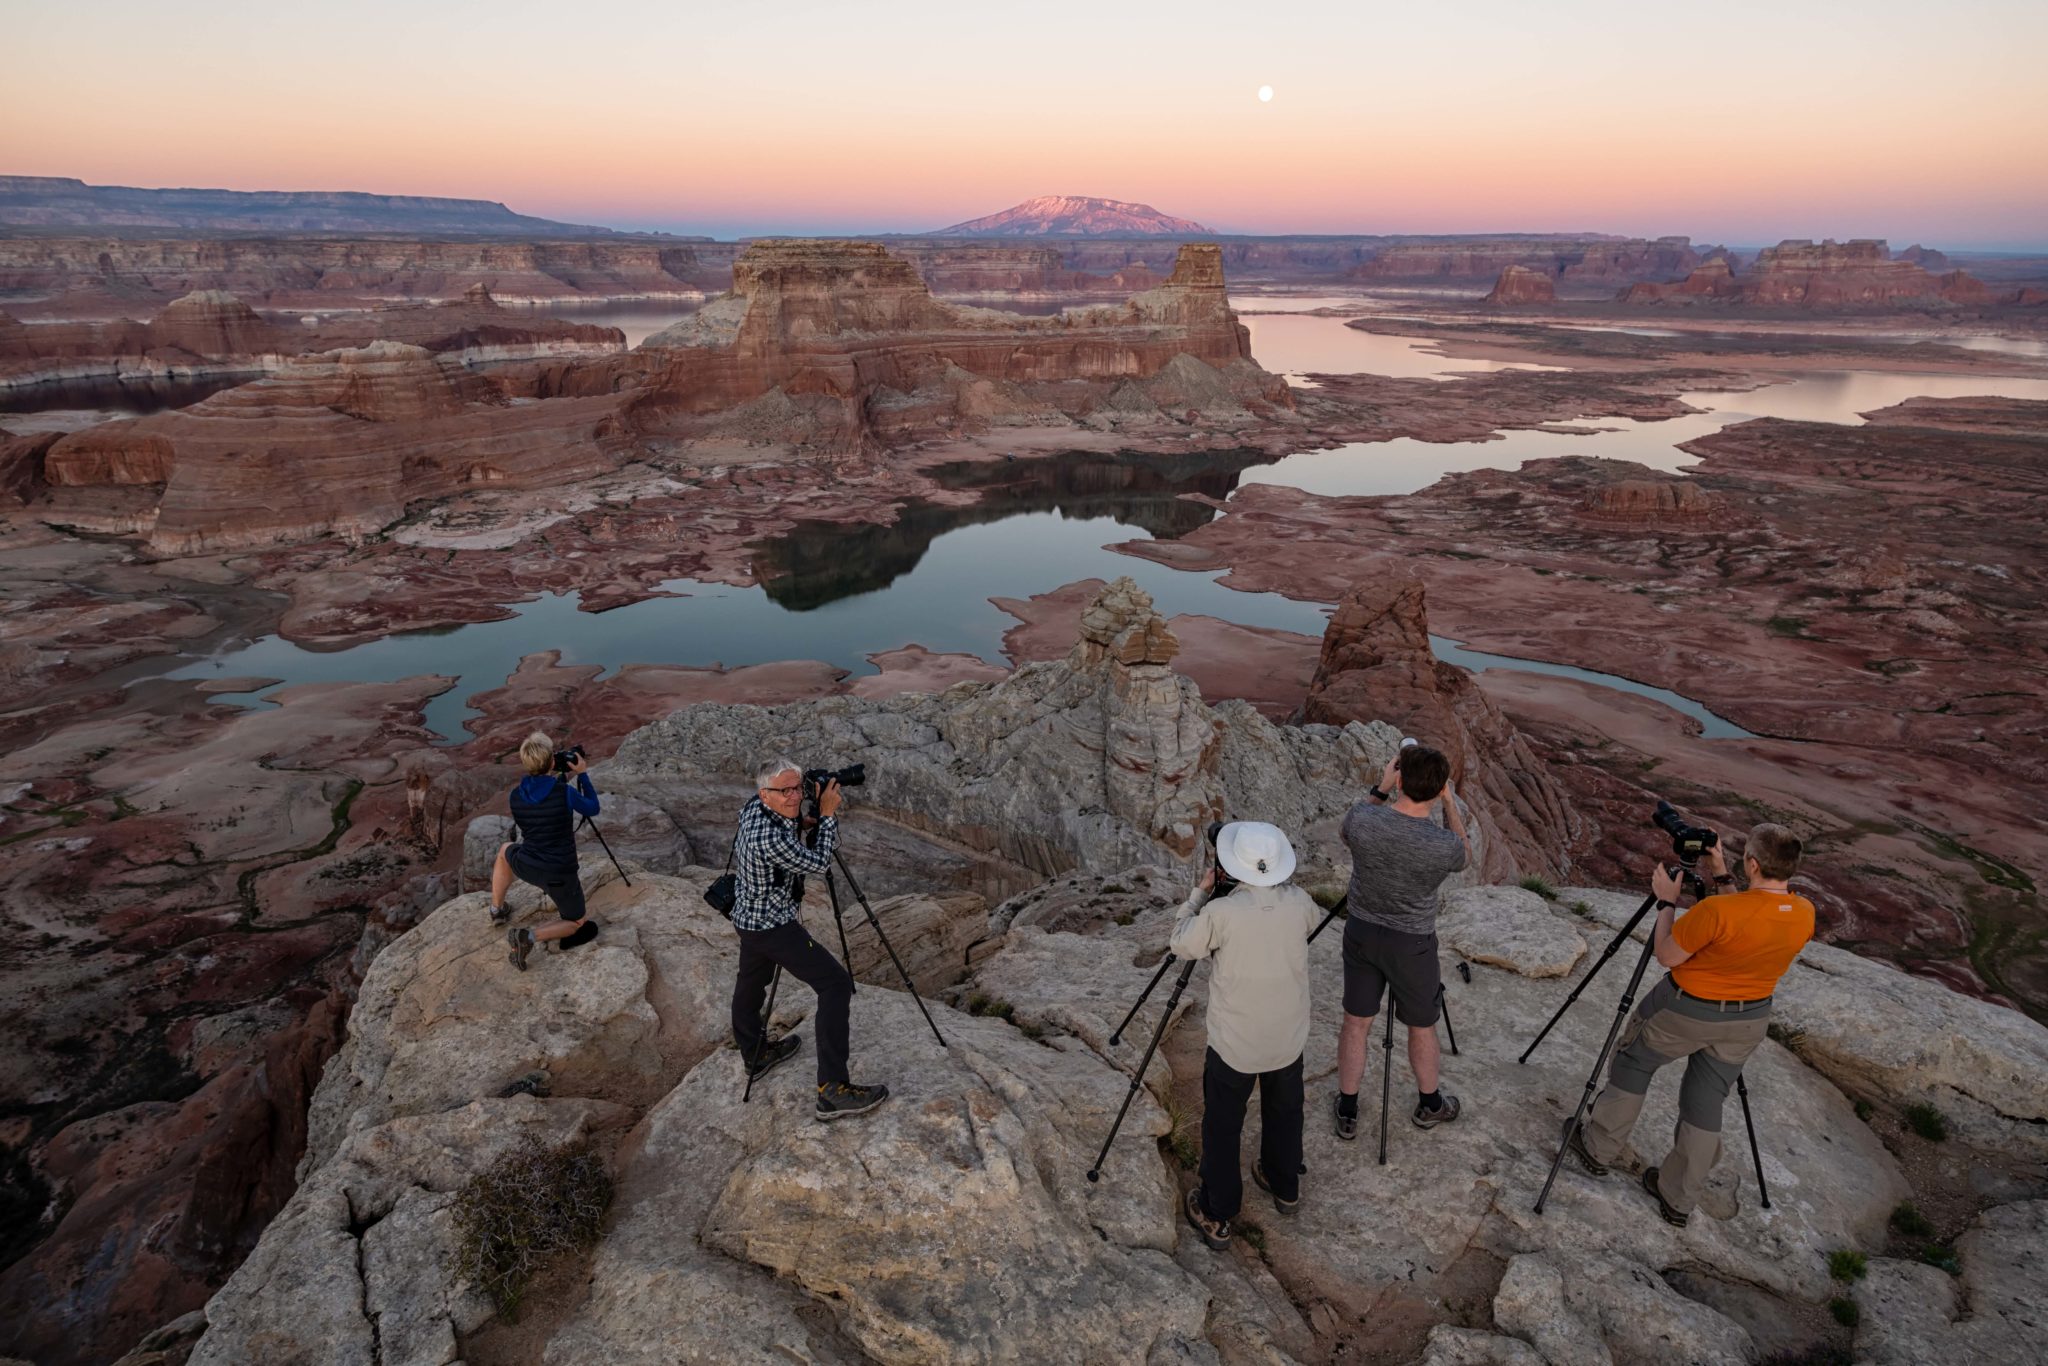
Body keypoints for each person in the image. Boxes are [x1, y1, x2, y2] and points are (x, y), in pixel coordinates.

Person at [1568, 824, 1814, 1228]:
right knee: (1706, 1099)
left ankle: (1599, 1148)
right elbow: (1747, 917)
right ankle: (1678, 1196)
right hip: (1748, 1020)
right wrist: (1719, 871)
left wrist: (1667, 903)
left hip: (1686, 1011)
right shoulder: (1803, 912)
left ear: (1752, 864)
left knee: (1634, 1063)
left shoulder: (1713, 912)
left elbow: (1666, 955)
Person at [1172, 822, 1320, 1251]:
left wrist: (1202, 894)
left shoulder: (1221, 914)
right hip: (1287, 1040)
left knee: (1223, 1124)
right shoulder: (1301, 903)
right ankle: (1283, 1183)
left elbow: (1181, 942)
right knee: (1285, 1111)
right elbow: (1303, 924)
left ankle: (1218, 1210)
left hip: (1234, 1046)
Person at [728, 755, 889, 1121]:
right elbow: (818, 864)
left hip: (749, 917)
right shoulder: (768, 836)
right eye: (783, 791)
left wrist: (804, 819)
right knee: (835, 985)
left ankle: (756, 1056)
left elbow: (787, 820)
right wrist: (828, 814)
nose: (793, 796)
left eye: (797, 788)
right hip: (773, 925)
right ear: (764, 793)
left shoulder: (757, 808)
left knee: (751, 983)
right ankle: (832, 1090)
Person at [1335, 743, 1470, 1138]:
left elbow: (1347, 829)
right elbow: (1464, 854)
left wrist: (1380, 787)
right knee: (1421, 1027)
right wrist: (1448, 803)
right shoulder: (1442, 846)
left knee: (1356, 1024)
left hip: (1361, 932)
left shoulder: (1363, 819)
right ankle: (1430, 1105)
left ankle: (1348, 1110)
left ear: (1400, 780)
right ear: (1440, 786)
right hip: (1412, 944)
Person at [491, 731, 602, 970]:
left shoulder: (515, 795)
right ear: (552, 761)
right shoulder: (564, 793)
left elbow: (542, 801)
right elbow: (592, 808)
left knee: (504, 850)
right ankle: (527, 938)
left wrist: (556, 777)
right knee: (577, 922)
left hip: (528, 864)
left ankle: (496, 909)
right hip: (559, 873)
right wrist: (582, 775)